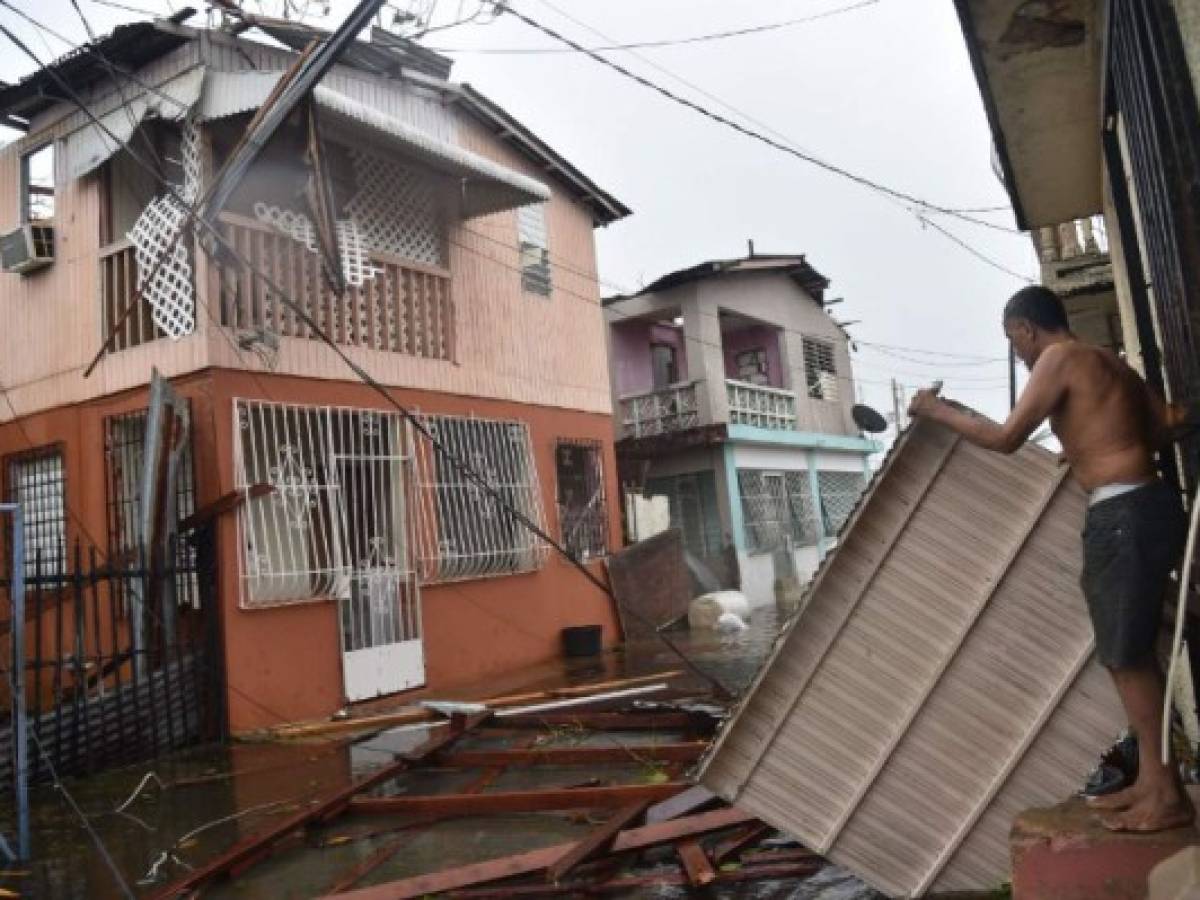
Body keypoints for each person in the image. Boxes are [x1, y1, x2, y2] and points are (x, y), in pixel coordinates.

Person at [908, 284, 1192, 833]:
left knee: (1126, 656)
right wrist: (1087, 445)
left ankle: (1167, 796)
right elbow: (1164, 424)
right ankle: (1156, 783)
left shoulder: (1057, 358)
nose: (1016, 350)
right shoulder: (1106, 360)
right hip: (1152, 504)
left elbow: (1006, 436)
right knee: (1131, 651)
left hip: (1121, 516)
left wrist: (933, 409)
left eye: (1012, 339)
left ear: (1024, 329)